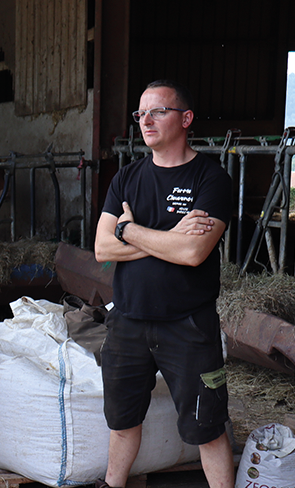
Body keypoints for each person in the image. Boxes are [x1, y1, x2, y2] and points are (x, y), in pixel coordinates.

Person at [94, 80, 234, 488]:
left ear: (186, 119)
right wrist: (171, 234)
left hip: (188, 327)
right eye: (141, 114)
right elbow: (103, 247)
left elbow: (194, 253)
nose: (146, 121)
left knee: (206, 427)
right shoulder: (126, 178)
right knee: (121, 422)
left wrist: (131, 231)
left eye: (158, 112)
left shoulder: (212, 179)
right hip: (127, 323)